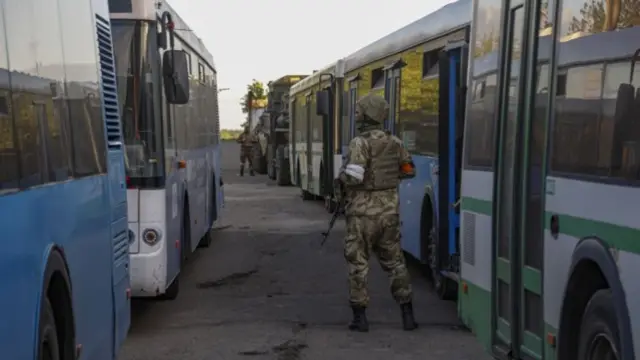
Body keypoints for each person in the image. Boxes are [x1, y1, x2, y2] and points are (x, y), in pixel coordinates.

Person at [336, 93, 417, 332]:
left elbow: (354, 176)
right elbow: (409, 170)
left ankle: (360, 318)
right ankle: (408, 315)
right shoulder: (395, 142)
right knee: (395, 263)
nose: (357, 114)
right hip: (389, 212)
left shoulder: (359, 142)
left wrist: (340, 177)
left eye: (360, 110)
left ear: (367, 114)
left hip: (362, 214)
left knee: (358, 264)